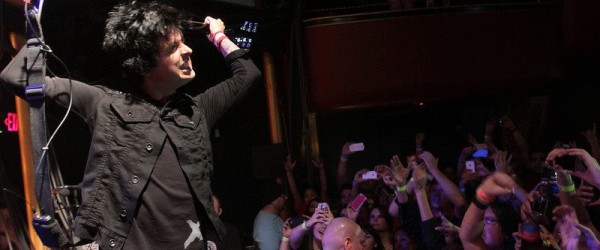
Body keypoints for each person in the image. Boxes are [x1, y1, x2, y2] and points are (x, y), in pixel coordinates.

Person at [0, 1, 261, 249]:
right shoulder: (105, 104)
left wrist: (218, 36)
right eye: (173, 47)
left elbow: (247, 73)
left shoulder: (196, 110)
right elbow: (15, 77)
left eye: (183, 43)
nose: (188, 50)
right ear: (145, 65)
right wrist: (32, 22)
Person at [253, 181, 287, 250]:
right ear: (274, 200)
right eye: (283, 196)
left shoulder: (269, 217)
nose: (286, 198)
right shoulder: (267, 225)